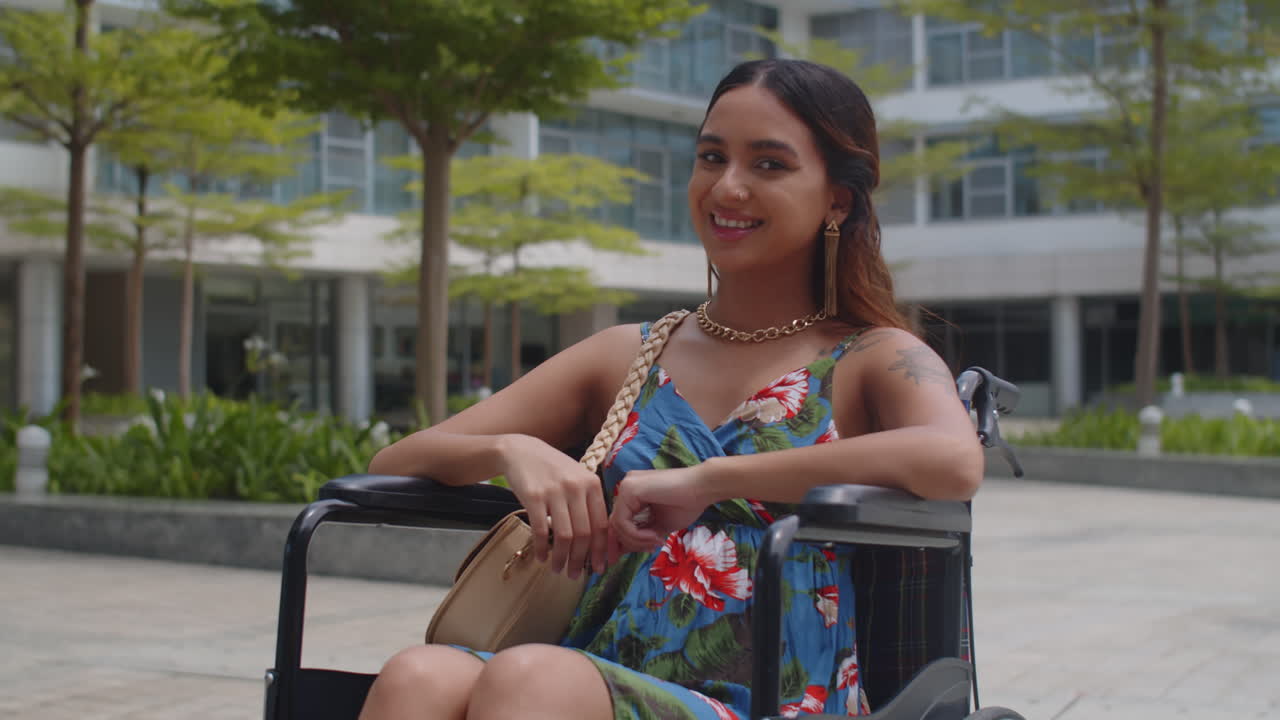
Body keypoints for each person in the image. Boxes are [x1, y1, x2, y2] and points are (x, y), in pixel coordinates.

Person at [358, 59, 983, 720]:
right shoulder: (631, 352)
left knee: (530, 682)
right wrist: (510, 452)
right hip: (594, 669)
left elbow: (953, 460)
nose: (728, 187)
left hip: (775, 697)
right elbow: (393, 461)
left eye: (769, 165)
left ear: (838, 197)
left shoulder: (871, 356)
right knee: (417, 677)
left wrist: (711, 480)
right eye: (712, 158)